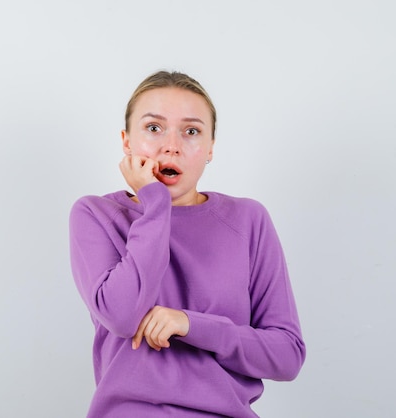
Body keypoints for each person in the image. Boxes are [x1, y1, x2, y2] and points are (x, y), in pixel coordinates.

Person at [69, 70, 306, 417]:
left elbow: (287, 356)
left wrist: (190, 325)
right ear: (126, 142)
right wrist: (154, 203)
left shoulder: (248, 220)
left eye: (191, 131)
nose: (171, 145)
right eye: (153, 128)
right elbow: (121, 315)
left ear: (210, 148)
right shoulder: (96, 215)